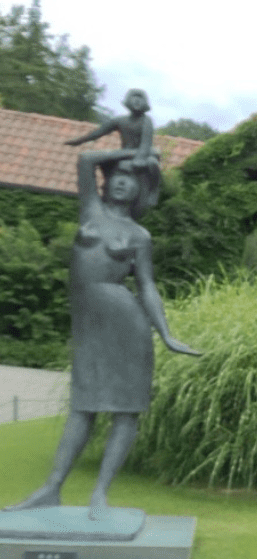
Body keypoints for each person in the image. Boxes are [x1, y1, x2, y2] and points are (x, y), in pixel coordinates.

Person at [4, 146, 198, 520]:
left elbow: (147, 286)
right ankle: (51, 489)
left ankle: (100, 494)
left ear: (140, 190)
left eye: (132, 179)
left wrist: (166, 333)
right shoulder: (91, 211)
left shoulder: (139, 235)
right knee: (83, 407)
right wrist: (138, 152)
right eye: (117, 176)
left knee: (126, 411)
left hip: (128, 323)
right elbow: (85, 160)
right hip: (90, 324)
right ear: (106, 183)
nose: (123, 183)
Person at [64, 88, 157, 171]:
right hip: (124, 152)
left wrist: (140, 159)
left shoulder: (146, 121)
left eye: (140, 98)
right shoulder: (120, 120)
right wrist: (78, 141)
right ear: (128, 100)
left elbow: (146, 144)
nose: (137, 100)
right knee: (86, 158)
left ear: (145, 102)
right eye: (134, 97)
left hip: (137, 153)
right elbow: (98, 132)